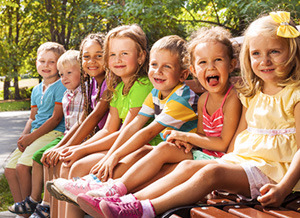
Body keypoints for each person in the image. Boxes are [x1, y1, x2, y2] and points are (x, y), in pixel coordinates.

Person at [84, 11, 300, 217]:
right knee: (189, 166)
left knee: (209, 173)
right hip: (244, 164)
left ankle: (147, 209)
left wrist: (283, 188)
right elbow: (236, 142)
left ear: (291, 51)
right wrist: (224, 169)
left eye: (274, 51)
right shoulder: (252, 94)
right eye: (256, 54)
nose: (265, 61)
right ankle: (127, 202)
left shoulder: (295, 96)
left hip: (276, 174)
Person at [78, 26, 242, 204]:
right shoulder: (202, 100)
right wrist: (112, 155)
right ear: (194, 70)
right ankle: (114, 190)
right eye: (154, 65)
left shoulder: (226, 99)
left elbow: (223, 144)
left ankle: (125, 199)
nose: (210, 67)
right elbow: (199, 136)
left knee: (158, 153)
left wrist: (186, 137)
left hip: (215, 161)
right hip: (195, 152)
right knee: (152, 150)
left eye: (217, 60)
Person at [49, 34, 200, 218]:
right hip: (163, 149)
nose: (158, 71)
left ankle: (103, 189)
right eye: (154, 65)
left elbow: (147, 131)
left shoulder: (179, 97)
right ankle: (97, 186)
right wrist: (111, 155)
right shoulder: (154, 93)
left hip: (184, 151)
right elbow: (135, 125)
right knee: (138, 153)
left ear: (183, 74)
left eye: (166, 67)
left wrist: (113, 156)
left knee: (138, 154)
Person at [49, 24, 154, 218]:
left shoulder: (142, 85)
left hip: (139, 150)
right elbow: (108, 129)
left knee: (78, 166)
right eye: (112, 55)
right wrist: (77, 148)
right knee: (67, 162)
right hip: (123, 145)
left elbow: (127, 132)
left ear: (140, 57)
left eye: (124, 53)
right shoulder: (118, 88)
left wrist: (83, 150)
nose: (118, 60)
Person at [7, 50, 83, 218]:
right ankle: (23, 211)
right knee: (9, 169)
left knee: (22, 166)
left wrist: (31, 138)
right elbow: (32, 117)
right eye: (42, 61)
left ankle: (32, 206)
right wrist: (24, 136)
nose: (46, 65)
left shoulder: (62, 86)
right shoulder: (36, 90)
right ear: (36, 63)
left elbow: (56, 119)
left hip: (53, 132)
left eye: (51, 62)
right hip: (35, 133)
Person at [42, 33, 111, 218]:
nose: (92, 61)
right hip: (99, 139)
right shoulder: (91, 84)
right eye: (86, 57)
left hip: (107, 141)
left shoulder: (109, 84)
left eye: (99, 55)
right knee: (55, 161)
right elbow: (81, 121)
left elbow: (95, 117)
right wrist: (60, 146)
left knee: (66, 163)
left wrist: (70, 148)